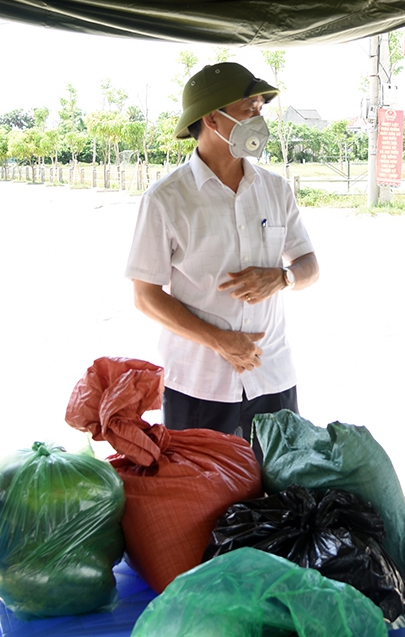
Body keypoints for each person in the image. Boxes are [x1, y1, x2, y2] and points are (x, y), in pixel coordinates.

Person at [125, 62, 319, 439]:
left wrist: (283, 277)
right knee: (204, 496)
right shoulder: (166, 199)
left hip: (272, 377)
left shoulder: (276, 190)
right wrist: (220, 341)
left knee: (277, 493)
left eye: (261, 109)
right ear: (213, 118)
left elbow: (310, 266)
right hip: (199, 384)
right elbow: (145, 296)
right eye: (251, 110)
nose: (259, 120)